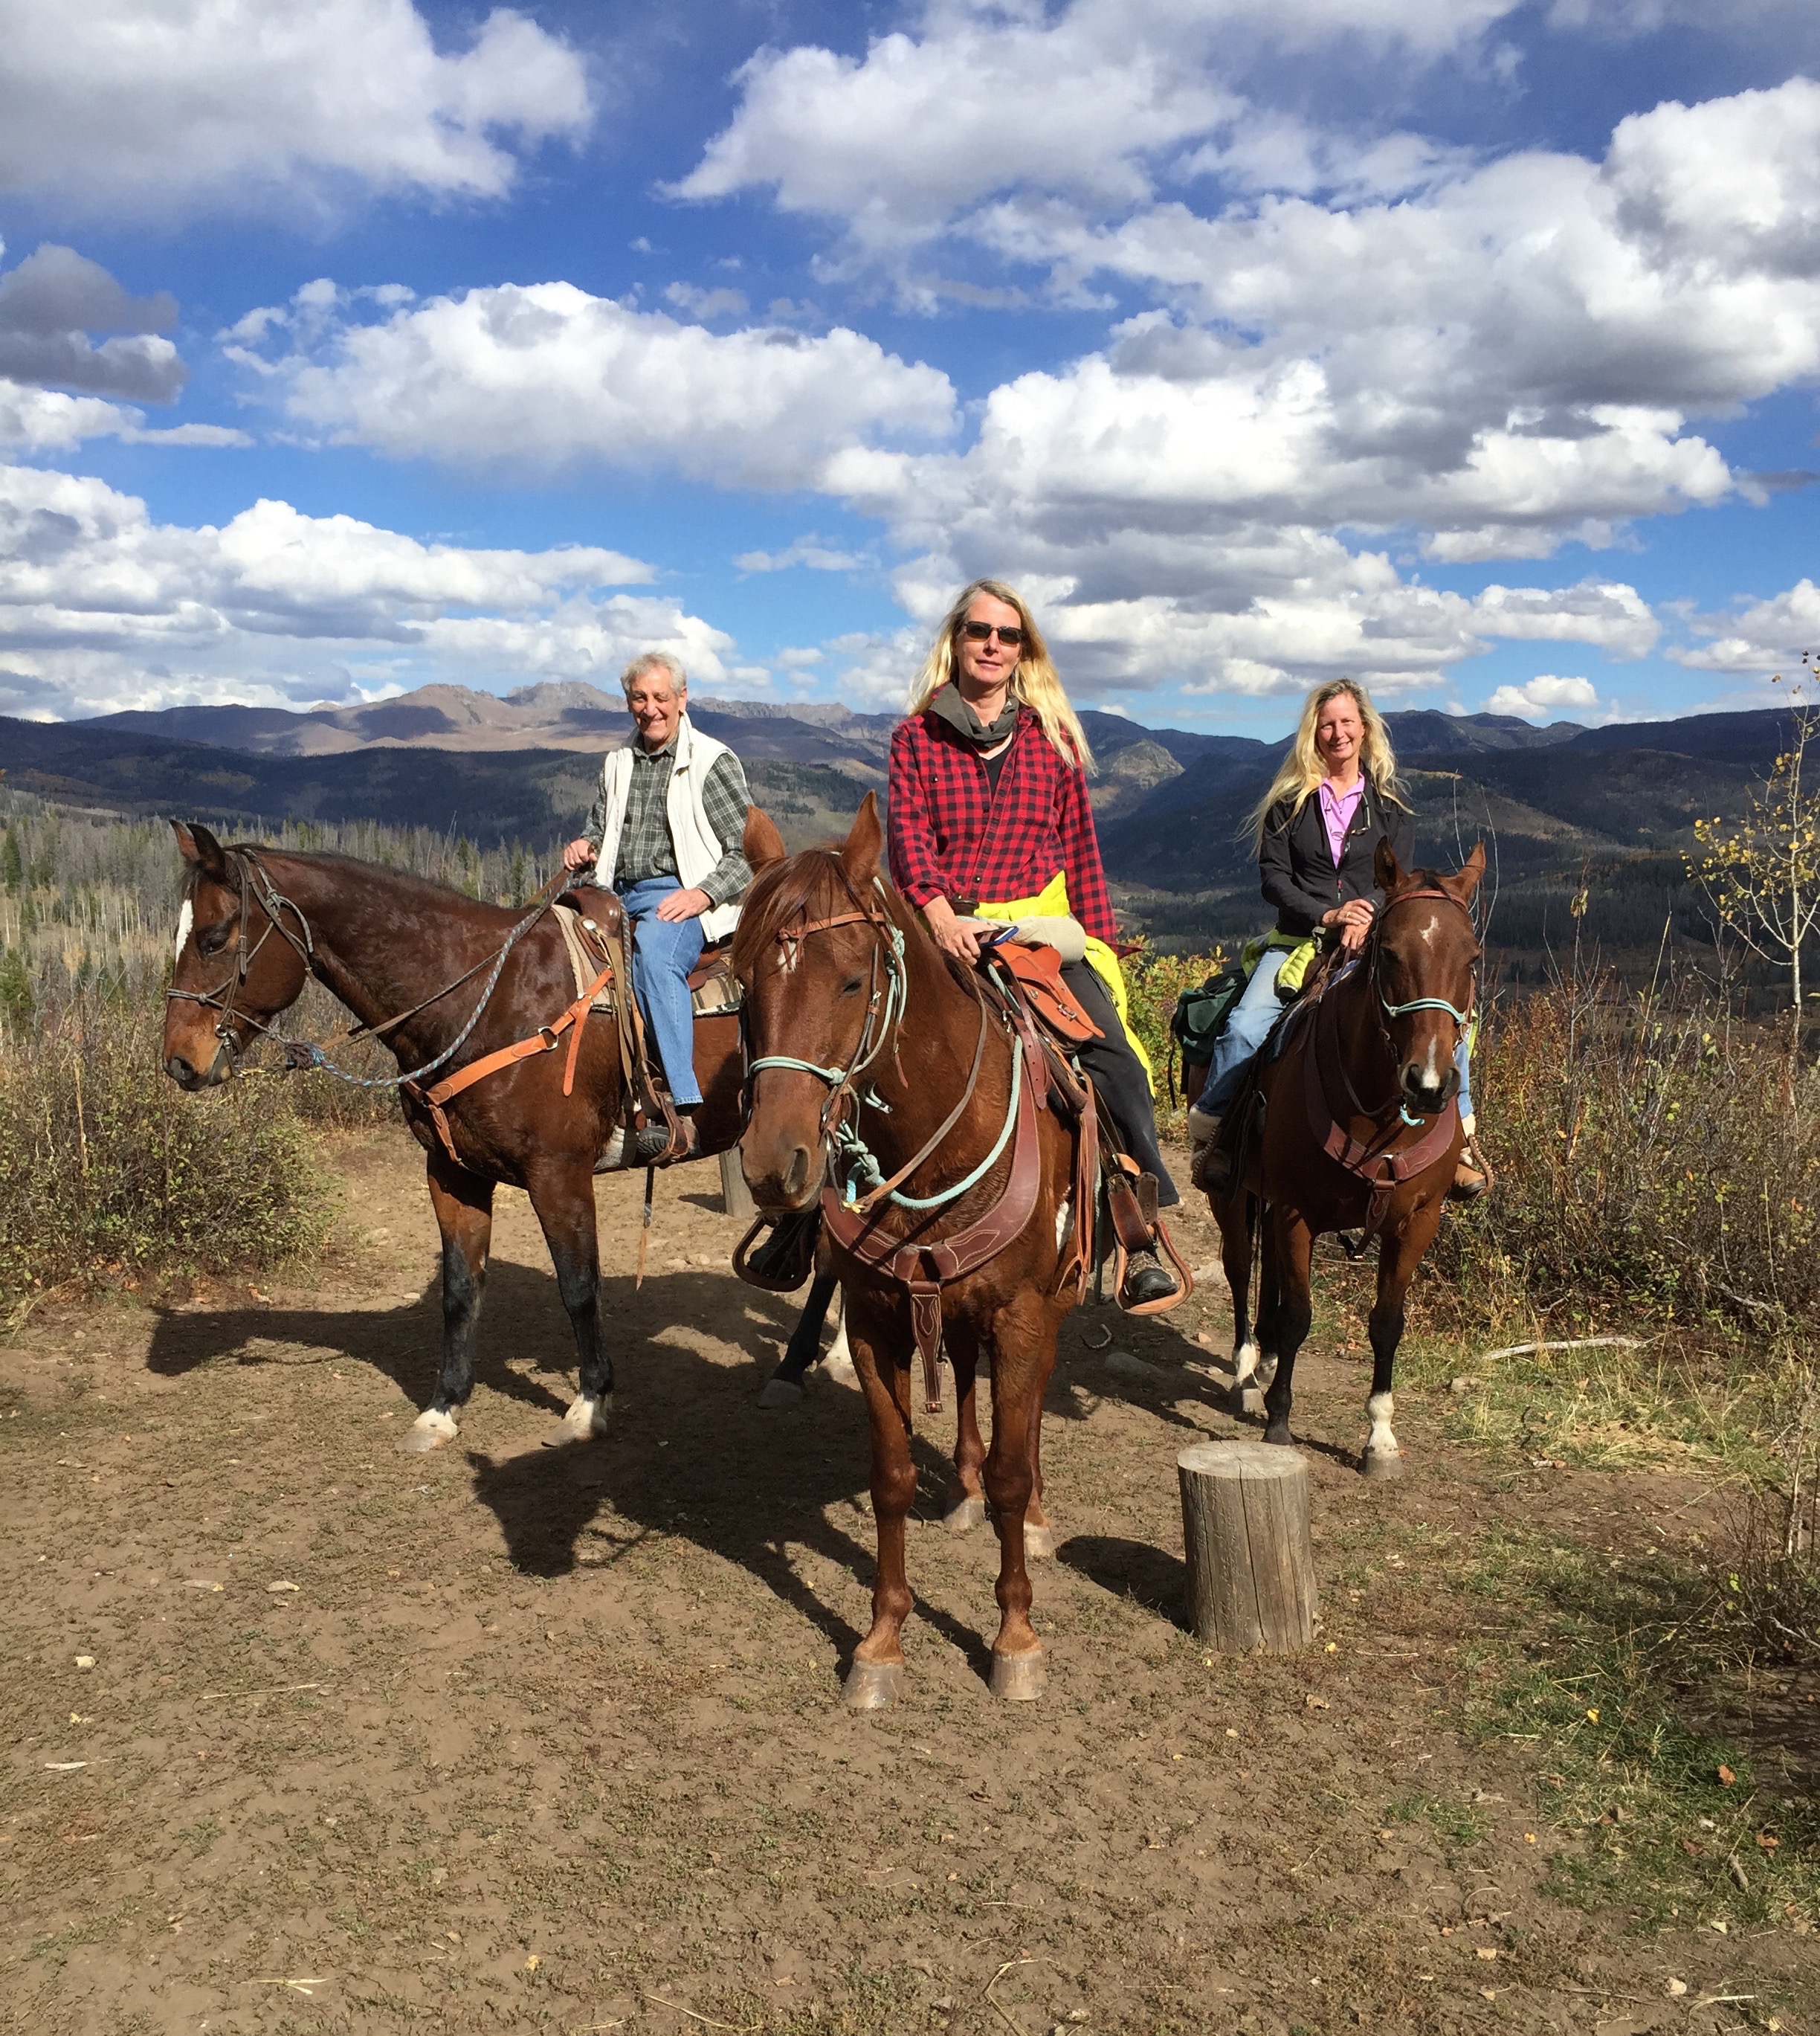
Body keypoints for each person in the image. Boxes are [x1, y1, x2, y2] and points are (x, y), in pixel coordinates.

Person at [888, 578, 1182, 1307]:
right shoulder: (915, 739)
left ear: (1023, 651)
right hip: (944, 926)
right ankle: (816, 1220)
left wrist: (1100, 952)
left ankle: (1136, 1224)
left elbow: (1082, 854)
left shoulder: (1053, 743)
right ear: (956, 641)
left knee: (1116, 1063)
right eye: (979, 631)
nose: (992, 644)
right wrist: (942, 920)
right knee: (858, 1045)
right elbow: (909, 844)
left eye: (1007, 635)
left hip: (1037, 936)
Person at [1187, 678, 1486, 1198]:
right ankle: (1217, 1136)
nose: (1337, 732)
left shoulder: (1390, 807)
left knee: (1442, 1018)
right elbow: (1274, 879)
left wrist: (1363, 914)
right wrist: (1329, 915)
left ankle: (1459, 1141)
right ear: (1314, 732)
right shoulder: (1288, 803)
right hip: (1296, 940)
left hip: (1372, 941)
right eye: (1327, 724)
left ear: (1364, 729)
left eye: (1347, 722)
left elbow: (1398, 878)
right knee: (1244, 1028)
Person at [564, 651, 751, 1159]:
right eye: (640, 698)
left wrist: (701, 894)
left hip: (677, 896)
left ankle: (680, 1108)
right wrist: (585, 846)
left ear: (682, 698)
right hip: (611, 893)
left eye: (661, 697)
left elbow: (745, 854)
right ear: (629, 702)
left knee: (655, 957)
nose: (651, 709)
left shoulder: (712, 762)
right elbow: (600, 829)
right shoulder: (617, 764)